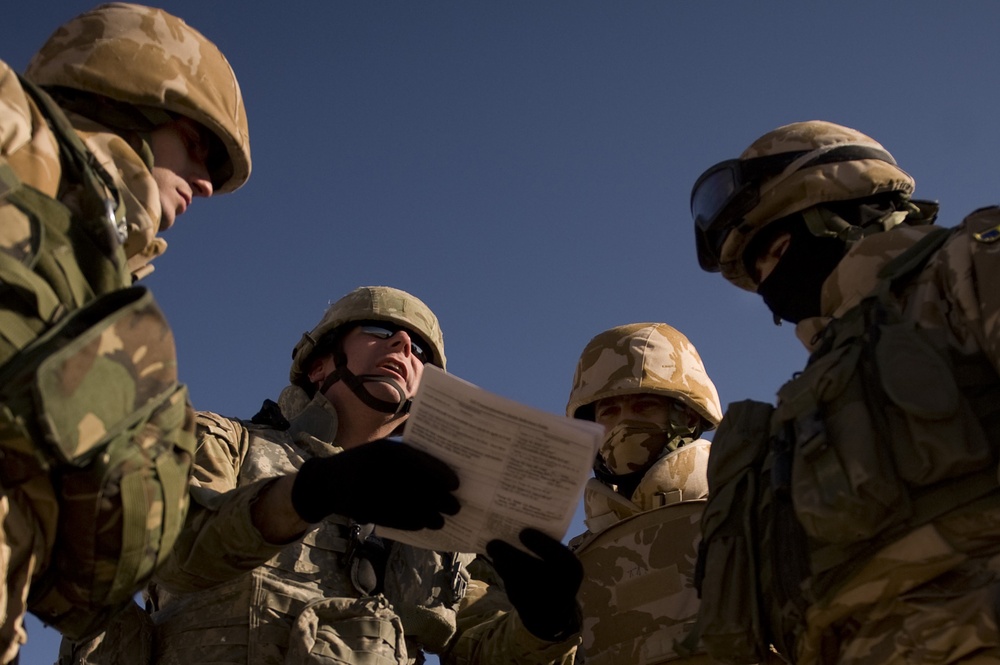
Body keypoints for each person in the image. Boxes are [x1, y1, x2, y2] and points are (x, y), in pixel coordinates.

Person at [61, 285, 583, 664]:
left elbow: (474, 649)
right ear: (318, 364)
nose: (404, 348)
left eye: (421, 350)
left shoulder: (447, 516)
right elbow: (171, 553)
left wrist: (547, 624)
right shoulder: (222, 440)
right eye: (382, 331)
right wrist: (310, 492)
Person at [690, 120, 1000, 664]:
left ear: (836, 206)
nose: (767, 279)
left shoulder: (965, 267)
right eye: (756, 270)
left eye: (774, 249)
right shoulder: (797, 417)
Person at [0, 2, 250, 661]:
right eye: (197, 146)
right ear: (120, 92)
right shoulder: (9, 130)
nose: (203, 184)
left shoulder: (103, 286)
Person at [564, 322, 723, 664]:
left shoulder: (746, 513)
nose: (622, 424)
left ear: (689, 417)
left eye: (644, 406)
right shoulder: (574, 564)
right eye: (609, 412)